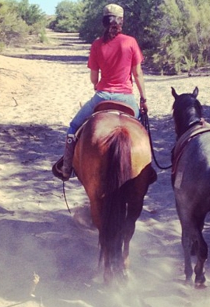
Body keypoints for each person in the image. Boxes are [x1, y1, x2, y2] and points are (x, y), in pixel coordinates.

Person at [53, 3, 149, 181]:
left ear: (104, 21)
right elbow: (138, 74)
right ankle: (147, 170)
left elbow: (93, 77)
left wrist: (96, 85)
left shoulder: (97, 44)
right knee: (141, 129)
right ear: (121, 21)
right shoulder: (130, 42)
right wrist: (143, 99)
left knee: (74, 127)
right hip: (127, 98)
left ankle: (66, 167)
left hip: (102, 96)